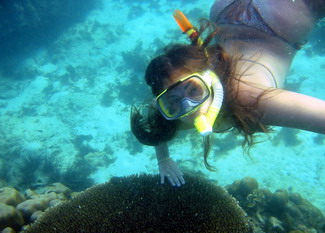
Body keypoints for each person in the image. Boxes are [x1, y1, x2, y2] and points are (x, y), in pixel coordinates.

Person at [131, 0, 325, 187]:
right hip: (224, 12)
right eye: (172, 102)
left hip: (280, 18)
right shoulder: (177, 113)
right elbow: (157, 121)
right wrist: (163, 159)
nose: (189, 107)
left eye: (194, 89)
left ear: (209, 78)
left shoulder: (248, 98)